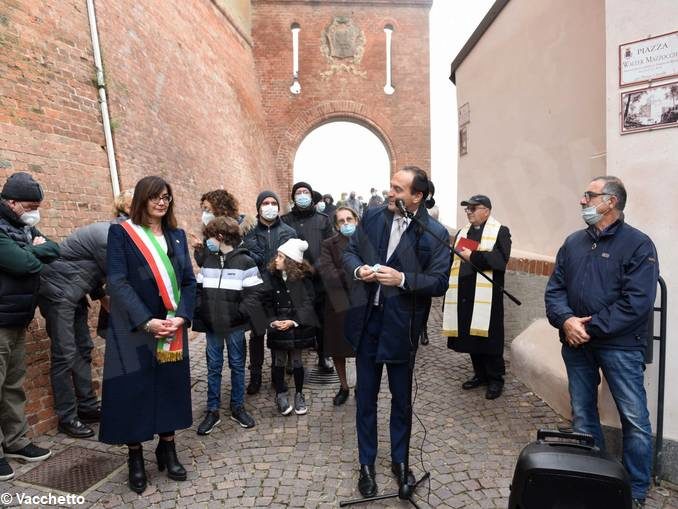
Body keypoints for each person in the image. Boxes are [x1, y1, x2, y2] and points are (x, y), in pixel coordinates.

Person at [545, 176, 658, 509]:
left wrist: (587, 329)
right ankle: (593, 477)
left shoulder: (639, 244)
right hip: (576, 342)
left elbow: (637, 302)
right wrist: (566, 320)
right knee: (582, 414)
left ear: (610, 201)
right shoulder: (572, 243)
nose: (583, 201)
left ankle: (636, 489)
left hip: (620, 345)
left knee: (634, 418)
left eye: (589, 196)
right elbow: (555, 290)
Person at [343, 166, 450, 498]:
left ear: (417, 197)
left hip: (402, 328)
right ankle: (366, 464)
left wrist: (402, 280)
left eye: (398, 189)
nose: (390, 193)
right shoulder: (374, 217)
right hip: (367, 325)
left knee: (401, 401)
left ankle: (400, 462)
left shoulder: (433, 232)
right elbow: (349, 252)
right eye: (391, 187)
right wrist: (359, 269)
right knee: (366, 399)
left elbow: (439, 281)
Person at [99, 176, 196, 494]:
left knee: (168, 387)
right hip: (134, 327)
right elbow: (117, 280)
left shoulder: (178, 236)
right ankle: (135, 457)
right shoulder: (122, 233)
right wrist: (145, 320)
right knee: (133, 391)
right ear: (142, 199)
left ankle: (167, 448)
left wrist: (182, 316)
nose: (161, 202)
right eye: (155, 196)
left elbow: (189, 282)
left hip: (171, 327)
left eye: (166, 197)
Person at [38, 189, 133, 439]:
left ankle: (88, 407)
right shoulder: (109, 235)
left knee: (84, 348)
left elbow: (97, 279)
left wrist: (103, 299)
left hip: (74, 294)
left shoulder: (116, 233)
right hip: (57, 295)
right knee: (64, 354)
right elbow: (116, 278)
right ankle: (67, 418)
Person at [0, 172, 58, 481]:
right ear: (11, 202)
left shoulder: (24, 225)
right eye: (30, 205)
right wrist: (32, 252)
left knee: (13, 384)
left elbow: (54, 249)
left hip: (17, 316)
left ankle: (17, 442)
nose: (35, 211)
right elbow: (24, 264)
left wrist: (31, 250)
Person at [193, 217, 265, 435]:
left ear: (221, 237)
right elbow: (198, 290)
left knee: (237, 365)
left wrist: (238, 313)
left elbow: (255, 294)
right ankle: (212, 411)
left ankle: (237, 407)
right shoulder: (208, 261)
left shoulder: (246, 262)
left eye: (210, 236)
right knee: (213, 367)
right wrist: (203, 311)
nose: (208, 241)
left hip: (234, 327)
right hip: (212, 326)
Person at [442, 195, 511, 400]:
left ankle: (496, 379)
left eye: (473, 208)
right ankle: (479, 375)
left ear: (486, 211)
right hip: (465, 293)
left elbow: (500, 260)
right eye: (467, 209)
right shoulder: (465, 232)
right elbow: (457, 262)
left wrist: (473, 256)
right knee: (471, 337)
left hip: (488, 296)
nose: (469, 212)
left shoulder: (500, 231)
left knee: (490, 338)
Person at [242, 191, 297, 395]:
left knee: (277, 335)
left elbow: (294, 263)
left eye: (274, 202)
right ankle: (255, 375)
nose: (270, 206)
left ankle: (277, 374)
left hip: (279, 291)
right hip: (256, 291)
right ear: (258, 207)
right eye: (266, 202)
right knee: (257, 335)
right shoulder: (248, 233)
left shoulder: (289, 232)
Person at [282, 181, 334, 373]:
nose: (302, 195)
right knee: (294, 317)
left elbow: (329, 247)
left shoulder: (323, 220)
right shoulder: (285, 220)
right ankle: (292, 357)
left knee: (321, 319)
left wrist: (316, 267)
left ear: (311, 196)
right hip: (294, 277)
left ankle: (323, 355)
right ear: (293, 197)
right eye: (298, 192)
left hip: (319, 278)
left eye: (306, 192)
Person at [263, 239, 317, 416]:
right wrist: (272, 321)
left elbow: (308, 304)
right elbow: (266, 301)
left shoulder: (304, 280)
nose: (276, 259)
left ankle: (299, 395)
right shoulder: (271, 277)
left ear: (291, 261)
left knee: (296, 361)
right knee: (278, 361)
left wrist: (293, 321)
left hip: (296, 327)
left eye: (280, 257)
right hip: (278, 326)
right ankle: (280, 395)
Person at [319, 206, 359, 406]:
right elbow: (328, 273)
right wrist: (357, 273)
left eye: (349, 219)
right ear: (336, 225)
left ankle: (362, 385)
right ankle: (343, 386)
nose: (346, 223)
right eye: (341, 221)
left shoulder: (365, 242)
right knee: (338, 348)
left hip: (361, 301)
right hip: (337, 302)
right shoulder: (328, 244)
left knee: (362, 347)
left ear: (356, 220)